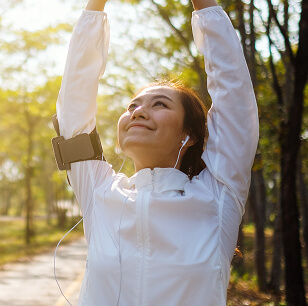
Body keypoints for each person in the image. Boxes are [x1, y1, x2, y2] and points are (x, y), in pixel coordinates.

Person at [55, 0, 259, 304]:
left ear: (188, 135)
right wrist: (95, 7)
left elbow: (234, 96)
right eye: (132, 106)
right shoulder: (99, 193)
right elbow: (74, 100)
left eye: (159, 104)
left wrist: (204, 7)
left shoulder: (217, 198)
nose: (138, 112)